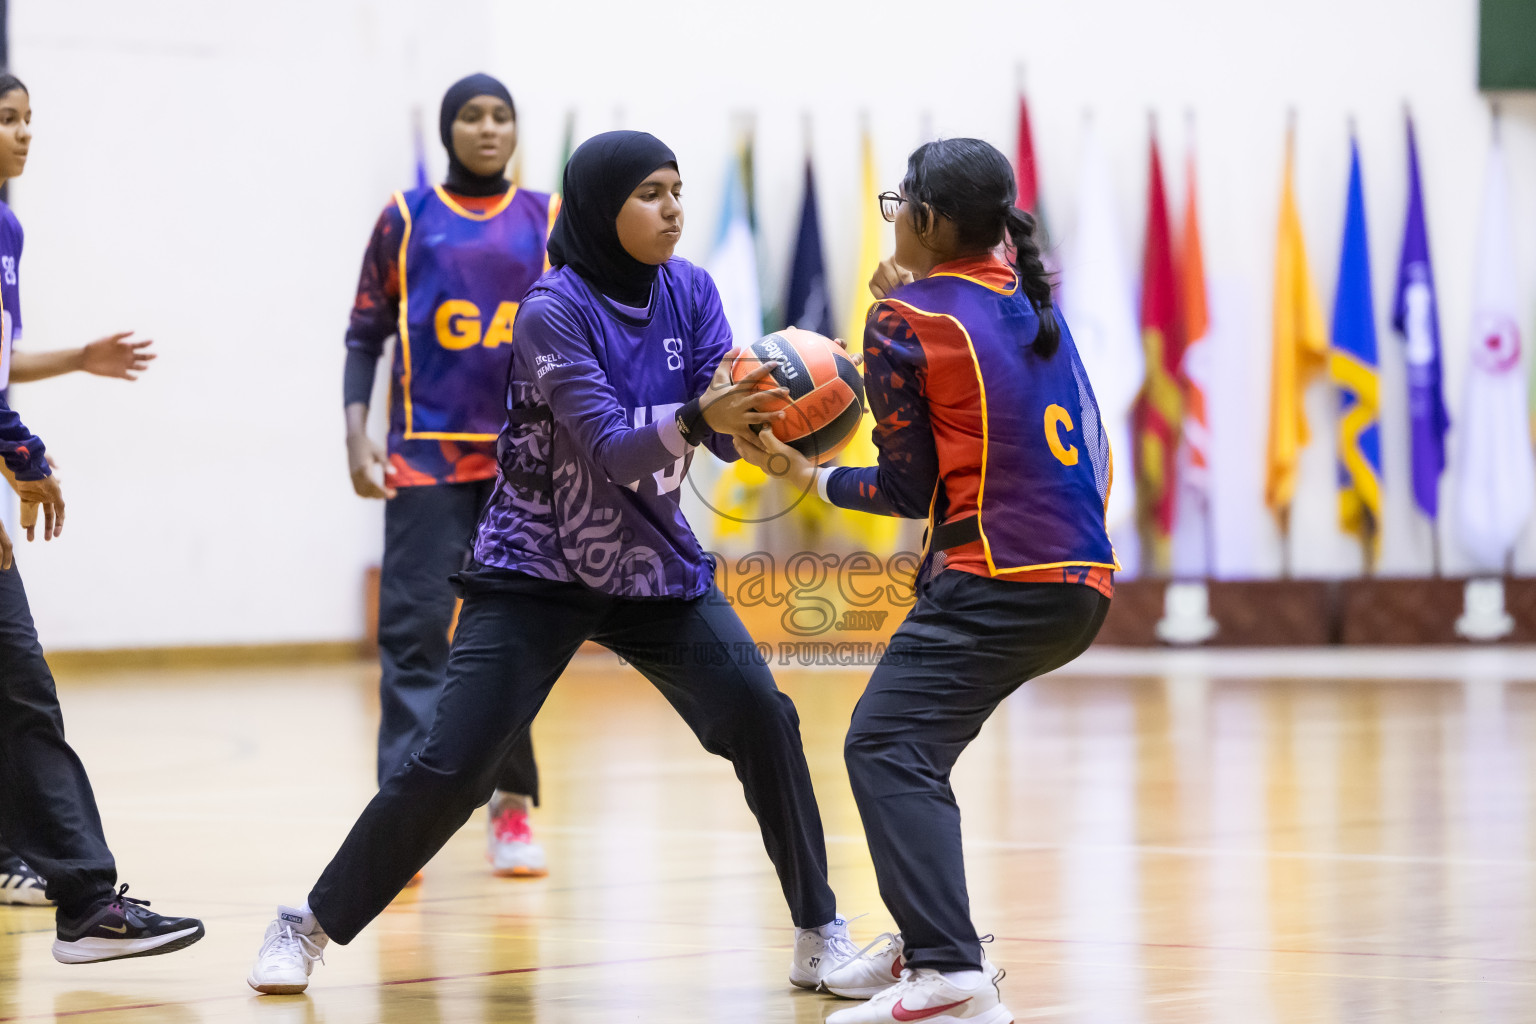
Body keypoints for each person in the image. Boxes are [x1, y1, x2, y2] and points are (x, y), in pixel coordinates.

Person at [247, 129, 868, 996]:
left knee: (765, 717)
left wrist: (762, 443)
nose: (674, 208)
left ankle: (819, 933)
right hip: (537, 568)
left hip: (651, 565)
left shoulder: (692, 291)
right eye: (650, 193)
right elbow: (616, 446)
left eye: (678, 190)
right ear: (598, 205)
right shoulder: (553, 309)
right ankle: (304, 926)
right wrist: (700, 417)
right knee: (454, 769)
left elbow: (717, 431)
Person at [735, 138, 1117, 1024]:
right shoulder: (1022, 300)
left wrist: (805, 475)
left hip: (998, 579)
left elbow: (905, 487)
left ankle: (950, 977)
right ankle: (927, 934)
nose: (894, 215)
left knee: (884, 747)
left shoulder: (906, 323)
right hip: (1080, 580)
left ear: (930, 221)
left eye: (898, 202)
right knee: (917, 751)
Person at [0, 71, 204, 963]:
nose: (24, 134)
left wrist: (77, 357)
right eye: (7, 119)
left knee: (15, 696)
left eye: (29, 119)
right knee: (19, 693)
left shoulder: (6, 226)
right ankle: (85, 901)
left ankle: (54, 877)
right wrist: (24, 457)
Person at [343, 73, 552, 878]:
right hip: (423, 457)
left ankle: (512, 808)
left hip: (525, 466)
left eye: (502, 114)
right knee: (414, 634)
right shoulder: (405, 217)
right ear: (447, 130)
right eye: (472, 115)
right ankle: (402, 826)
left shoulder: (550, 218)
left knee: (515, 636)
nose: (488, 128)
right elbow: (363, 332)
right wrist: (355, 433)